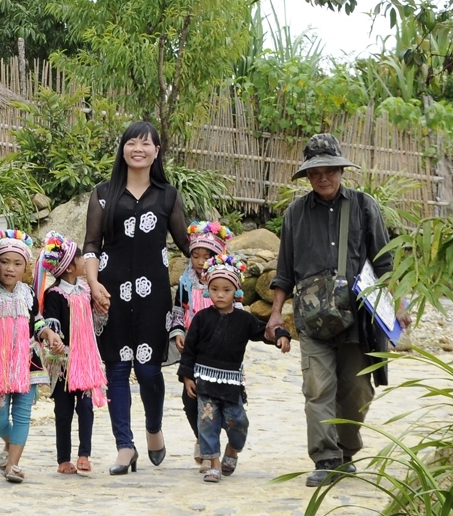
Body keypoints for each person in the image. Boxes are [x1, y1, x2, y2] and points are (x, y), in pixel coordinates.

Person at [264, 133, 413, 488]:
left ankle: (346, 452)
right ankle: (326, 457)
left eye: (330, 170)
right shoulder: (295, 214)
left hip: (358, 318)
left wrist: (400, 303)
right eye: (316, 173)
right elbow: (284, 271)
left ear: (341, 170)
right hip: (313, 320)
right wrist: (275, 314)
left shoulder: (364, 207)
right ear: (308, 177)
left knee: (358, 390)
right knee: (317, 388)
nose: (324, 178)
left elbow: (384, 262)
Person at [83, 121, 191, 475]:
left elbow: (188, 245)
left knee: (148, 371)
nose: (138, 149)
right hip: (110, 293)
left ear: (157, 151)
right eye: (132, 142)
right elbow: (91, 245)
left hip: (153, 294)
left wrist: (215, 261)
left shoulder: (168, 195)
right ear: (123, 149)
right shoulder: (102, 193)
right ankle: (124, 446)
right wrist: (93, 284)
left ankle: (153, 427)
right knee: (115, 368)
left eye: (146, 144)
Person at [180, 254, 290, 482]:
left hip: (231, 385)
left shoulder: (244, 319)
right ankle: (214, 464)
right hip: (205, 382)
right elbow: (189, 350)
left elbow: (264, 331)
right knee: (207, 423)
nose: (221, 294)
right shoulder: (201, 318)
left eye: (227, 289)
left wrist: (280, 335)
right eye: (216, 289)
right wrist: (187, 377)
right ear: (208, 290)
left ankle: (233, 449)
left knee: (238, 422)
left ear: (237, 292)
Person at [0, 231, 62, 484]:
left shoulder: (28, 294)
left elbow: (37, 322)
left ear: (26, 267)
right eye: (4, 261)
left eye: (17, 263)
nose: (10, 268)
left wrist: (48, 334)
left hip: (27, 363)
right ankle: (10, 444)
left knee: (22, 415)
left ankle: (13, 465)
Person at [36, 231, 106, 475]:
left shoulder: (86, 290)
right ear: (68, 268)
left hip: (85, 360)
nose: (83, 261)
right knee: (63, 410)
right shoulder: (55, 294)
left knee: (86, 407)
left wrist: (103, 309)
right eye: (79, 257)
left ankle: (84, 453)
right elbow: (51, 320)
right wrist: (55, 340)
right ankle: (63, 458)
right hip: (64, 361)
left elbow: (95, 320)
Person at [169, 220, 233, 468]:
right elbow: (178, 310)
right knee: (191, 398)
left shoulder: (223, 282)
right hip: (194, 352)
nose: (199, 261)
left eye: (206, 256)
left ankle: (214, 445)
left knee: (218, 399)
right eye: (195, 255)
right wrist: (177, 332)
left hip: (219, 352)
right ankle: (203, 439)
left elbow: (236, 311)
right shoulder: (185, 284)